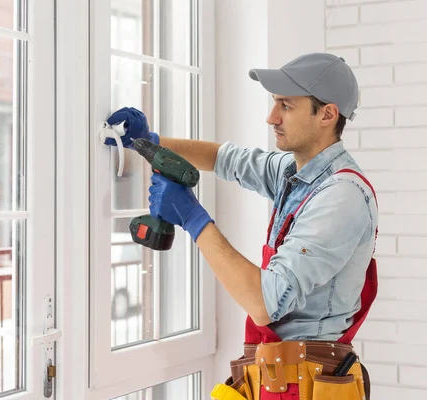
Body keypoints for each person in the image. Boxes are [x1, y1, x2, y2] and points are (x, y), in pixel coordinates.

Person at [105, 53, 378, 400]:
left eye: (286, 106)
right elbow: (224, 158)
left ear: (327, 114)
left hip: (309, 384)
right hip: (280, 376)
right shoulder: (295, 173)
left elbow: (264, 302)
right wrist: (150, 143)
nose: (271, 117)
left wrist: (192, 217)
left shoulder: (341, 196)